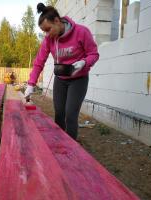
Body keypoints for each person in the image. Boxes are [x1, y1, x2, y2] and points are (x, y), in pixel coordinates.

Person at [24, 2, 99, 140]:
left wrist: (84, 62)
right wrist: (31, 84)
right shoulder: (49, 39)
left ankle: (71, 148)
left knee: (70, 114)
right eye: (44, 31)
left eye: (48, 29)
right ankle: (59, 144)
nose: (47, 34)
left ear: (57, 21)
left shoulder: (81, 32)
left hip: (78, 80)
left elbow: (94, 54)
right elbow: (39, 62)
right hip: (60, 79)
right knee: (59, 114)